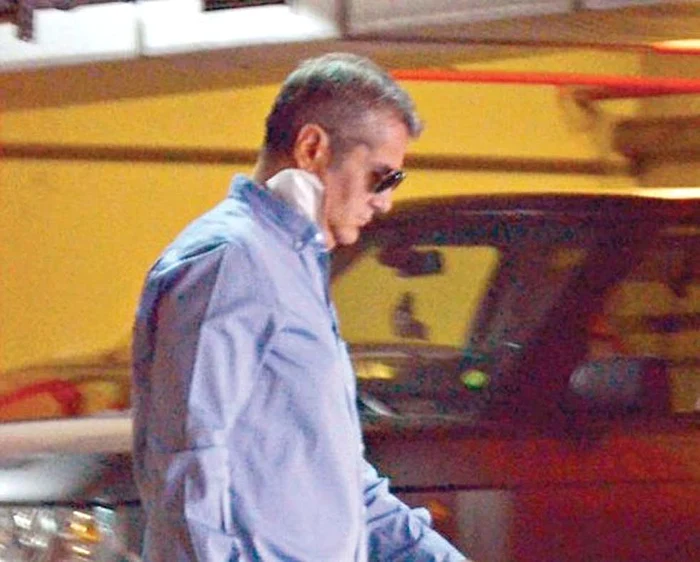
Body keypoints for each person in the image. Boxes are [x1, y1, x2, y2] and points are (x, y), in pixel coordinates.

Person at [131, 52, 469, 561]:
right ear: (313, 148)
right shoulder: (232, 260)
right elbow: (188, 462)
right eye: (381, 177)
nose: (385, 202)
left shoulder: (292, 265)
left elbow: (344, 486)